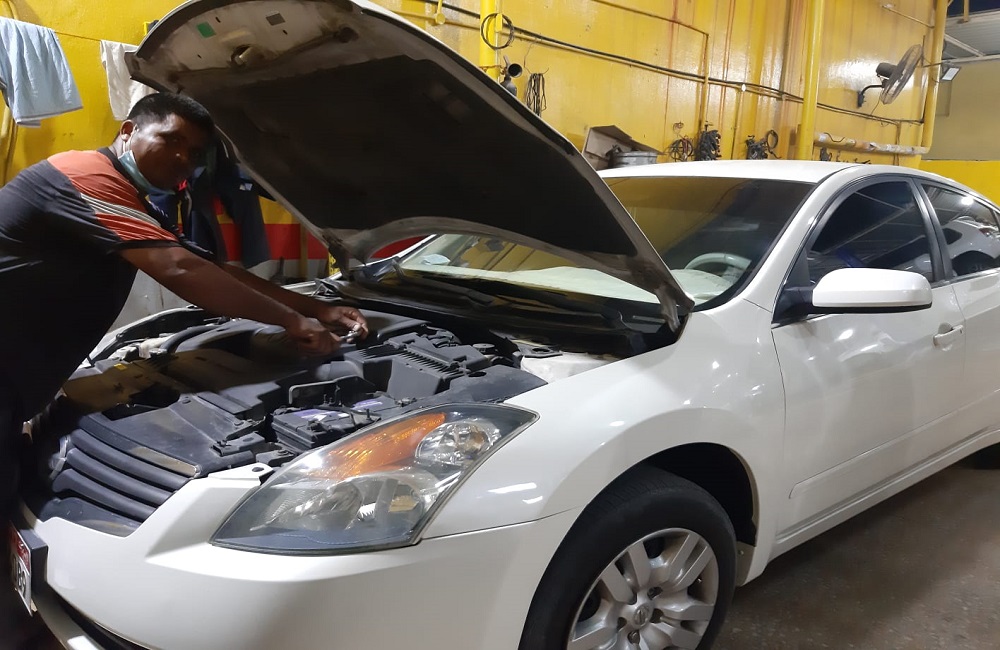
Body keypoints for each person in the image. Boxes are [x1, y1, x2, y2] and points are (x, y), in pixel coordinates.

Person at [0, 92, 367, 513]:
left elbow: (207, 266)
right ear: (128, 131)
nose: (183, 158)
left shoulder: (131, 200)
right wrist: (292, 322)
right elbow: (179, 269)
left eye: (194, 153)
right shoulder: (84, 176)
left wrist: (315, 309)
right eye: (172, 139)